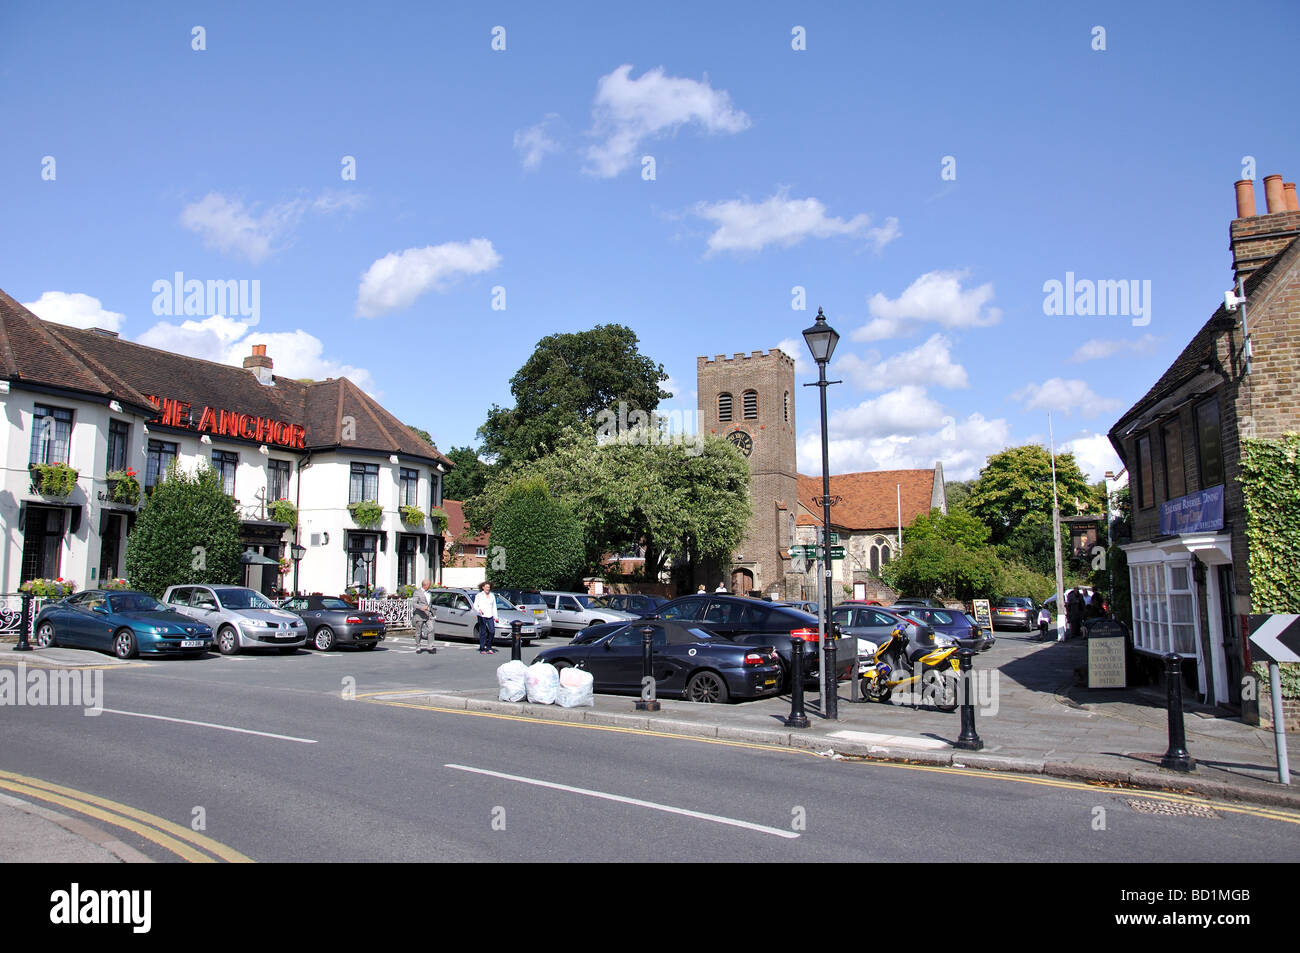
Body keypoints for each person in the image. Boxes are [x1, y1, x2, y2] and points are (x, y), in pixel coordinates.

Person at [473, 580, 499, 654]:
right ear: (483, 587)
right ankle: (482, 648)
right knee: (483, 632)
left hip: (490, 615)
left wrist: (496, 617)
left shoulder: (492, 595)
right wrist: (479, 610)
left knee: (492, 631)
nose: (488, 588)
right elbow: (475, 605)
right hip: (482, 615)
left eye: (489, 587)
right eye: (486, 587)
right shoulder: (479, 595)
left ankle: (489, 647)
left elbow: (494, 607)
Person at [411, 579, 436, 654]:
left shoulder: (429, 593)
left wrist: (432, 612)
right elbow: (414, 604)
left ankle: (430, 647)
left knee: (431, 629)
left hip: (428, 614)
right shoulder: (417, 592)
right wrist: (421, 607)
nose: (430, 586)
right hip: (420, 614)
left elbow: (429, 603)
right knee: (419, 631)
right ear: (425, 585)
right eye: (429, 585)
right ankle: (418, 646)